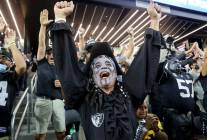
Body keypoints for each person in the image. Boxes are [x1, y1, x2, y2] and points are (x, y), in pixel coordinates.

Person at [51, 1, 164, 140]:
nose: (103, 67)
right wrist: (61, 18)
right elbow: (67, 67)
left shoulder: (129, 92)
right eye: (97, 65)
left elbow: (145, 64)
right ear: (91, 74)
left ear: (116, 71)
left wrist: (154, 21)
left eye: (107, 63)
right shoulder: (84, 98)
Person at [34, 9, 65, 140]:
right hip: (43, 101)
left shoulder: (62, 67)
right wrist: (43, 26)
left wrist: (62, 85)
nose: (51, 54)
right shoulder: (41, 63)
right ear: (46, 55)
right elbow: (41, 44)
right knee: (41, 135)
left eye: (54, 52)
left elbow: (67, 91)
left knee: (61, 133)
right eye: (49, 53)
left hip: (58, 101)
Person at [0, 17, 26, 139]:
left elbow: (21, 66)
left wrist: (12, 43)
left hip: (2, 126)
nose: (2, 60)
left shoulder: (9, 76)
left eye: (5, 59)